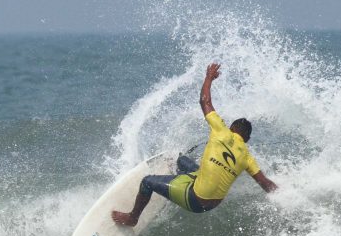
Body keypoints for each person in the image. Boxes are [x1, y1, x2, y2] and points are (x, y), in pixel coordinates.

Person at [111, 62, 277, 226]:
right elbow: (265, 183)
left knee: (147, 181)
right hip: (212, 204)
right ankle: (175, 168)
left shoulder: (221, 130)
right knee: (180, 159)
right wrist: (287, 197)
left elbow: (204, 101)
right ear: (246, 139)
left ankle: (132, 218)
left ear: (231, 128)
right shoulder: (247, 157)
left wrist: (209, 78)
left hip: (195, 200)